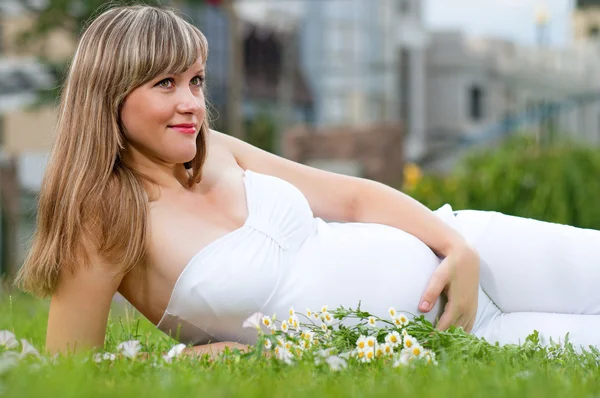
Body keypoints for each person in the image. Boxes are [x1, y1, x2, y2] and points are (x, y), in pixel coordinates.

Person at [14, 4, 600, 357]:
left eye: (195, 81)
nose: (192, 103)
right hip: (436, 340)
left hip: (470, 254)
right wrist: (183, 364)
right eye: (165, 84)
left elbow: (351, 195)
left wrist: (456, 247)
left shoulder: (219, 150)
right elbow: (72, 369)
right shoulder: (104, 218)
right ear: (109, 94)